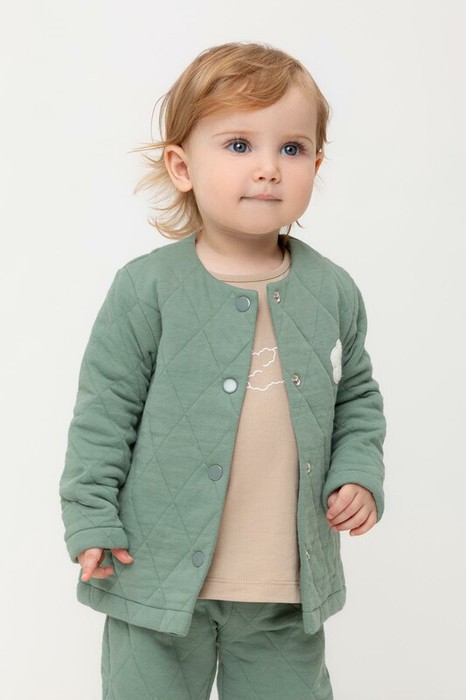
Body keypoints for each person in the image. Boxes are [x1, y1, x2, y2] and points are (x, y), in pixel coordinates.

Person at [59, 41, 386, 700]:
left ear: (316, 165)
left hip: (284, 591)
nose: (268, 168)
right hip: (154, 578)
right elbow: (104, 413)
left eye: (292, 148)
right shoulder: (147, 289)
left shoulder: (333, 291)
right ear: (182, 166)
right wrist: (89, 517)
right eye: (239, 145)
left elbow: (357, 399)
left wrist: (359, 472)